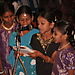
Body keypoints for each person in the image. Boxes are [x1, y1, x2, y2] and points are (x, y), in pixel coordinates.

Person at [8, 5, 39, 75]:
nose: (25, 22)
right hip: (19, 67)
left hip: (33, 66)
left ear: (32, 18)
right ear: (17, 20)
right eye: (22, 20)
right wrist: (15, 54)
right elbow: (12, 53)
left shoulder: (37, 33)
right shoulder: (14, 35)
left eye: (27, 19)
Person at [28, 10, 59, 75]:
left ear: (51, 25)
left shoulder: (56, 40)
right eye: (38, 23)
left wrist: (40, 55)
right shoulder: (35, 37)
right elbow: (32, 54)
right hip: (36, 71)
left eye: (42, 23)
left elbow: (53, 61)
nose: (39, 26)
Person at [0, 2, 17, 75]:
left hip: (19, 64)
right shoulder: (0, 31)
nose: (9, 19)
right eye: (6, 17)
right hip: (5, 66)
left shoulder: (19, 28)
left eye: (11, 16)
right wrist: (1, 70)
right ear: (1, 17)